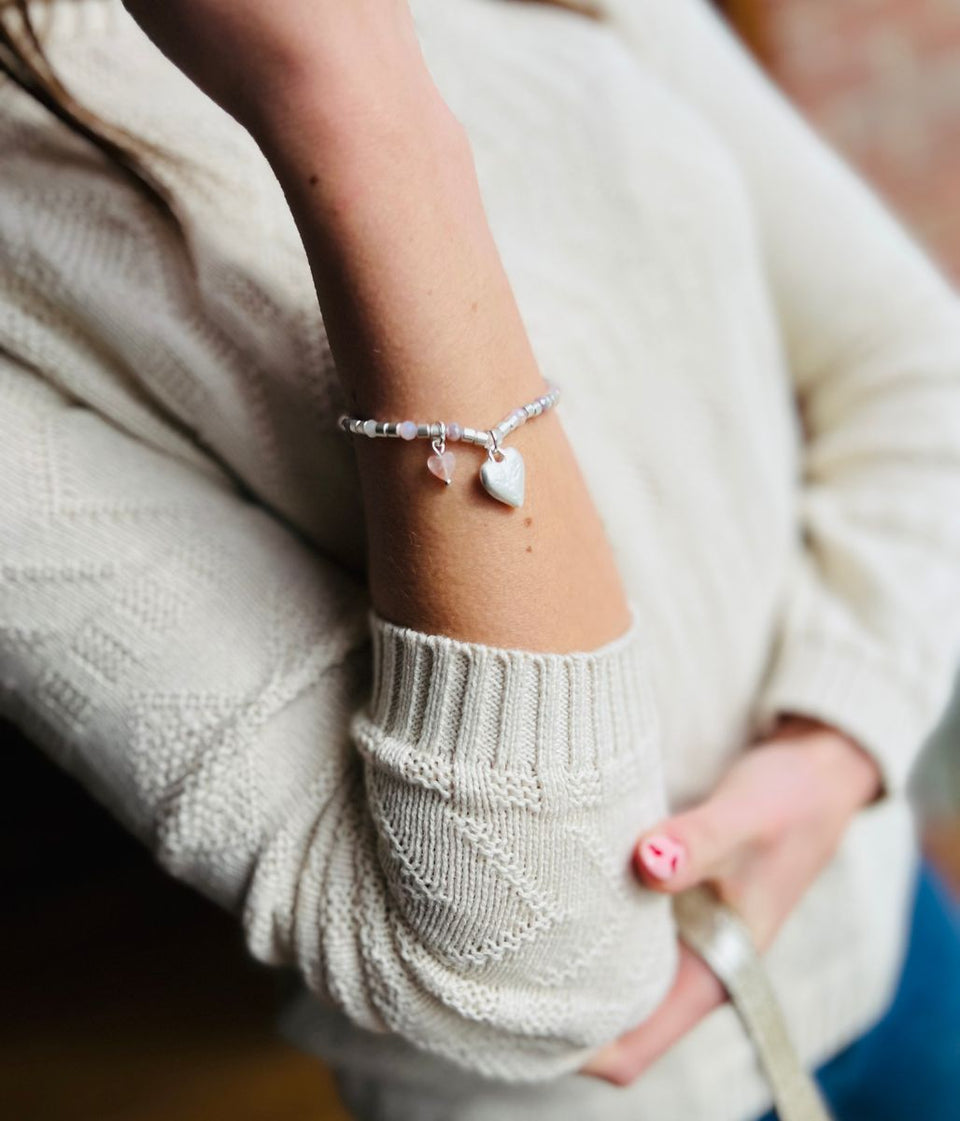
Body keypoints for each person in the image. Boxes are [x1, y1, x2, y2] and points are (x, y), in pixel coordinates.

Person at [1, 0, 959, 1118]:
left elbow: (914, 367)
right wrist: (349, 104)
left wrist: (836, 741)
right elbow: (545, 960)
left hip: (878, 911)